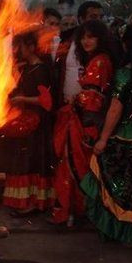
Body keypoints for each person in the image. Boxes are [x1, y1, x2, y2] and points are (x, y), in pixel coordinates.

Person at [82, 25, 132, 244]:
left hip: (123, 137)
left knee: (118, 188)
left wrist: (103, 138)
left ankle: (122, 233)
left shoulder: (125, 73)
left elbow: (116, 108)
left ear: (125, 44)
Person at [52, 19, 115, 226]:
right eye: (83, 37)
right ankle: (75, 212)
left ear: (101, 38)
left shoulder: (99, 61)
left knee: (76, 167)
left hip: (84, 125)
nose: (86, 41)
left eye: (91, 36)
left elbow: (92, 99)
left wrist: (76, 99)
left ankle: (77, 213)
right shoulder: (97, 59)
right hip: (82, 122)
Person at [0, 29, 56, 215]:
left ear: (31, 47)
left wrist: (22, 100)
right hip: (25, 122)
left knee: (33, 162)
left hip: (37, 124)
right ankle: (22, 201)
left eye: (20, 46)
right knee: (22, 160)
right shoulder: (26, 67)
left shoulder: (41, 70)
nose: (17, 50)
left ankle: (32, 203)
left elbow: (46, 100)